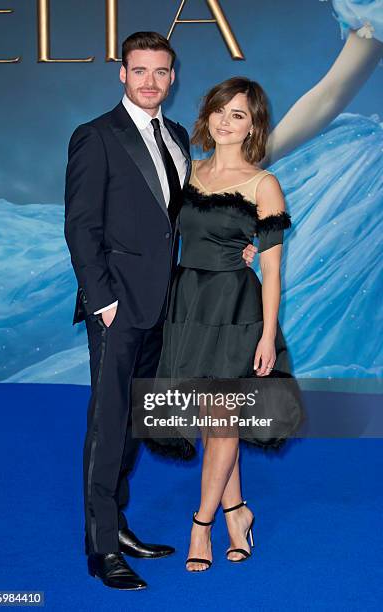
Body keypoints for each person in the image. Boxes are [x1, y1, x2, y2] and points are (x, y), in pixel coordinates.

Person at [64, 32, 256, 591]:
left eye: (161, 72)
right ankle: (101, 548)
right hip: (117, 306)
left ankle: (117, 524)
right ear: (122, 74)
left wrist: (239, 245)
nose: (150, 81)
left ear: (173, 78)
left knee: (132, 420)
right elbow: (80, 227)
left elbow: (184, 220)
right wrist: (102, 301)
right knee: (107, 420)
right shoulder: (95, 137)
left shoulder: (175, 135)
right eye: (140, 70)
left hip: (168, 306)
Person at [155, 77, 293, 571]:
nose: (226, 121)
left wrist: (266, 336)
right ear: (207, 116)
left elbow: (273, 270)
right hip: (188, 307)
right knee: (216, 424)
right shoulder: (186, 174)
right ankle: (238, 512)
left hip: (236, 310)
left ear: (253, 125)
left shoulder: (263, 183)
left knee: (222, 421)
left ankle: (201, 526)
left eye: (238, 114)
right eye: (220, 110)